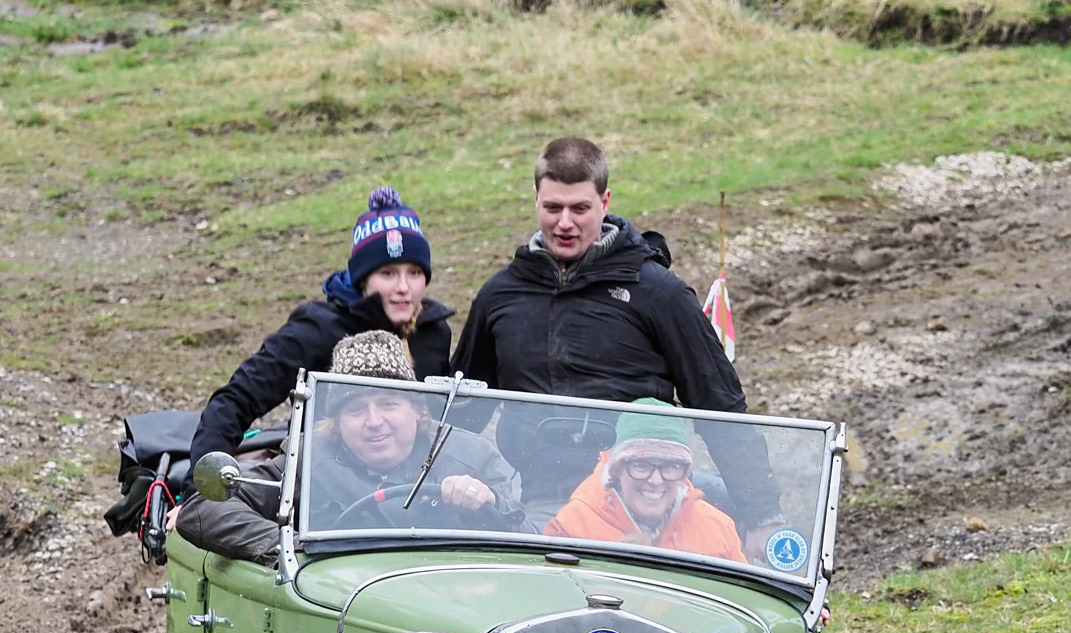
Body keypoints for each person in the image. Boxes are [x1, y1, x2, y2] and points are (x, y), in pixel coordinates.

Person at [450, 137, 779, 540]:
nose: (564, 223)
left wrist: (763, 517)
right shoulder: (500, 296)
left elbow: (720, 407)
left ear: (605, 203)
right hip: (546, 499)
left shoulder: (658, 293)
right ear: (535, 199)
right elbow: (462, 412)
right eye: (553, 208)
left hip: (650, 496)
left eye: (579, 209)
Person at [174, 333, 520, 563]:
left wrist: (487, 503)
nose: (374, 421)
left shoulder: (469, 456)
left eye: (388, 403)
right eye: (355, 409)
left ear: (417, 409)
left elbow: (527, 537)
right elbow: (202, 509)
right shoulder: (309, 460)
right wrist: (293, 548)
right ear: (336, 422)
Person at [187, 187, 453, 471]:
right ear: (362, 279)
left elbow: (441, 425)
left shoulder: (433, 333)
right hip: (322, 482)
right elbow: (235, 401)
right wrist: (201, 490)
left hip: (414, 484)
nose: (403, 287)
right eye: (387, 273)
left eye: (414, 273)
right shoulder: (317, 330)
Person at [545, 401, 745, 562]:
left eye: (671, 466)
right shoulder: (572, 527)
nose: (656, 481)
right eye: (640, 465)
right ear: (617, 470)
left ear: (684, 473)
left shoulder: (719, 529)